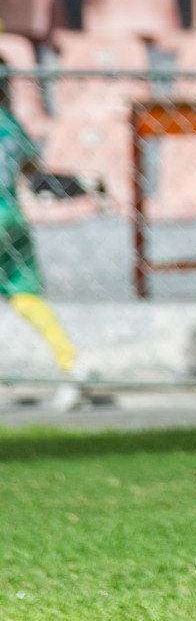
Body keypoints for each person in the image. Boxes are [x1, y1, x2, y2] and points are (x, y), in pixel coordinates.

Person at [0, 76, 80, 409]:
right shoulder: (11, 123)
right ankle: (72, 364)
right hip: (13, 215)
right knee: (25, 296)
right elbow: (32, 169)